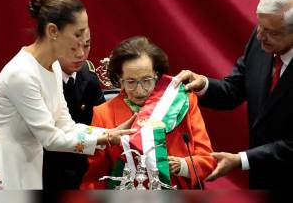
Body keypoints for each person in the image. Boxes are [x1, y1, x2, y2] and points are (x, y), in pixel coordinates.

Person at [0, 0, 136, 190]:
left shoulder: (55, 66)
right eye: (78, 34)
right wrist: (105, 139)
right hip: (7, 164)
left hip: (31, 160)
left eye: (85, 32)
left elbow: (64, 124)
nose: (84, 40)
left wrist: (107, 132)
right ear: (53, 31)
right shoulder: (21, 74)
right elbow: (51, 138)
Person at [175, 0, 293, 189]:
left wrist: (241, 160)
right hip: (262, 181)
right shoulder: (260, 42)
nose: (260, 37)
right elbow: (232, 92)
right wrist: (201, 84)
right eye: (260, 27)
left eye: (271, 32)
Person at [81, 36, 216, 189]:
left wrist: (182, 166)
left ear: (157, 74)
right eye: (131, 82)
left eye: (147, 80)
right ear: (120, 79)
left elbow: (207, 160)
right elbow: (95, 177)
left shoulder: (183, 101)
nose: (140, 90)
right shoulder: (103, 114)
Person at [43, 28, 106, 189]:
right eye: (73, 48)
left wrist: (109, 134)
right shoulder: (40, 77)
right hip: (43, 163)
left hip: (81, 161)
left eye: (86, 46)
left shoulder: (88, 75)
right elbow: (48, 136)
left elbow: (99, 120)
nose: (81, 54)